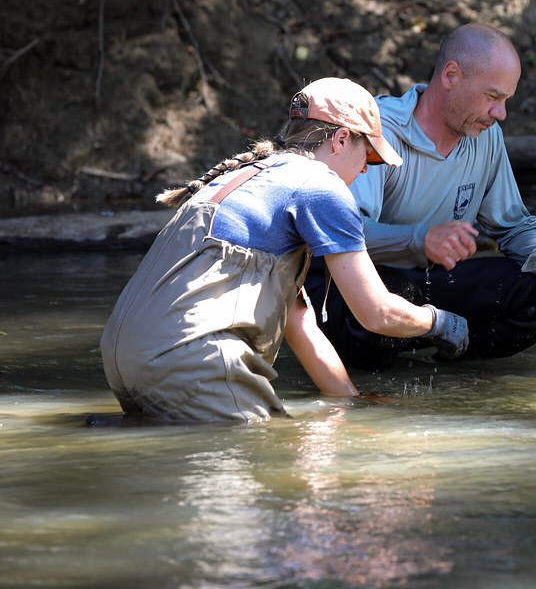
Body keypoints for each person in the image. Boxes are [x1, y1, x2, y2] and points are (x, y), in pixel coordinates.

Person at [100, 77, 469, 423]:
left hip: (125, 358)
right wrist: (438, 322)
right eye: (368, 157)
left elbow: (298, 322)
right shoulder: (320, 186)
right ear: (340, 140)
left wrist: (350, 403)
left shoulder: (248, 178)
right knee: (267, 456)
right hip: (190, 359)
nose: (365, 171)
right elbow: (375, 313)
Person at [305, 23, 536, 371]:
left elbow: (514, 228)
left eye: (506, 101)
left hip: (432, 285)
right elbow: (341, 235)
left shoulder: (486, 135)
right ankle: (404, 352)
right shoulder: (378, 129)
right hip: (363, 288)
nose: (501, 114)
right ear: (451, 75)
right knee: (398, 291)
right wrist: (421, 240)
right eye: (493, 97)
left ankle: (447, 362)